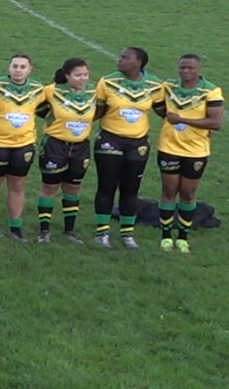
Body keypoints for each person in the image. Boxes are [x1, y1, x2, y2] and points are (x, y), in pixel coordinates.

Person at [91, 46, 163, 249]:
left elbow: (163, 110)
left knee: (131, 189)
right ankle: (102, 232)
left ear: (138, 63)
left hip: (138, 143)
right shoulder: (107, 81)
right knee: (107, 186)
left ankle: (127, 234)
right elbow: (98, 112)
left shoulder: (155, 85)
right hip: (109, 140)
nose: (119, 59)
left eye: (125, 57)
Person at [153, 53, 222, 252]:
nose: (186, 71)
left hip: (196, 150)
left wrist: (181, 120)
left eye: (190, 68)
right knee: (168, 191)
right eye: (182, 67)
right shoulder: (169, 87)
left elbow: (216, 123)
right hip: (169, 147)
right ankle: (166, 236)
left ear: (199, 69)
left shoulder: (211, 91)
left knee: (188, 193)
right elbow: (158, 107)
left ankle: (183, 237)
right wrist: (169, 118)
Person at [0, 54, 46, 241]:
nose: (18, 69)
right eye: (15, 66)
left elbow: (47, 111)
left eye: (23, 67)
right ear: (9, 67)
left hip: (23, 144)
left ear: (30, 70)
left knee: (18, 185)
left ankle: (16, 228)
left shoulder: (38, 89)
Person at [38, 57, 97, 244]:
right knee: (50, 187)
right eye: (78, 75)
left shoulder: (94, 92)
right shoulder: (51, 91)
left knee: (73, 188)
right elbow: (35, 107)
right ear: (67, 75)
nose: (82, 79)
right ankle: (44, 231)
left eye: (85, 75)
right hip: (55, 145)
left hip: (81, 147)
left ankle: (69, 231)